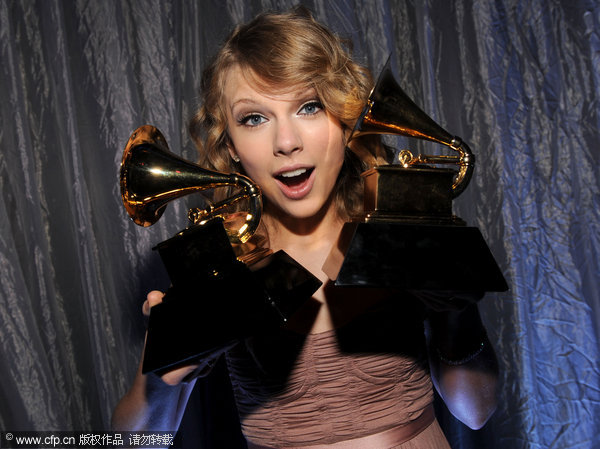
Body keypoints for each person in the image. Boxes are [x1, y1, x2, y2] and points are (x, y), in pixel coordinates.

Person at [112, 6, 499, 448]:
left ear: (343, 117)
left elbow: (476, 411)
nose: (286, 142)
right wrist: (163, 378)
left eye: (309, 107)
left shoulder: (399, 236)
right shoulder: (218, 267)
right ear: (232, 147)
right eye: (254, 118)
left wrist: (457, 313)